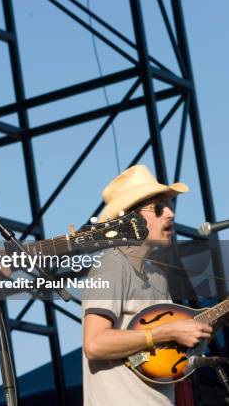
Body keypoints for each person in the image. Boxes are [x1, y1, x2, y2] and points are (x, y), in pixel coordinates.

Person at [81, 164, 213, 405]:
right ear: (131, 219)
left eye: (170, 206)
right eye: (159, 208)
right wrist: (167, 331)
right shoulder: (111, 264)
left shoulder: (158, 276)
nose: (170, 214)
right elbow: (94, 343)